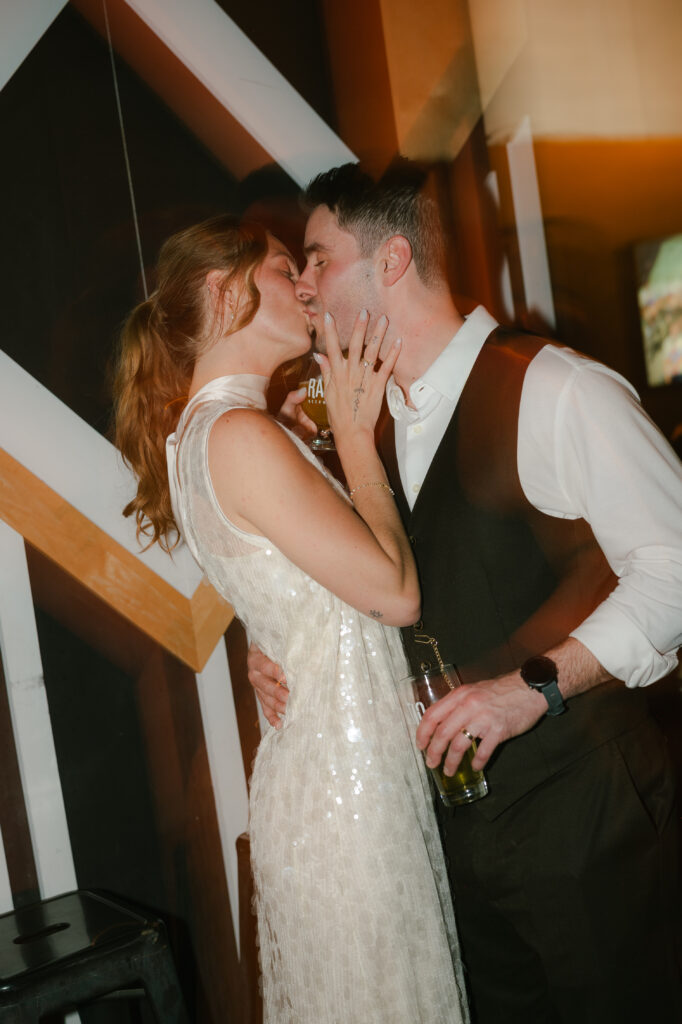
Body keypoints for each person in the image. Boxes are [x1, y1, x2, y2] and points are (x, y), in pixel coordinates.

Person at [248, 161, 682, 1023]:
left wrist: (536, 686)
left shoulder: (556, 389)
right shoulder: (359, 428)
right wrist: (283, 656)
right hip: (454, 850)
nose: (301, 286)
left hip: (587, 821)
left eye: (318, 260)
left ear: (394, 261)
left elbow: (674, 570)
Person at [113, 215, 469, 1024]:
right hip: (345, 798)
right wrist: (353, 435)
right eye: (284, 271)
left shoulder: (215, 433)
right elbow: (396, 593)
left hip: (332, 782)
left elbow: (277, 584)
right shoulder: (238, 434)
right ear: (222, 290)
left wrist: (261, 642)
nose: (306, 287)